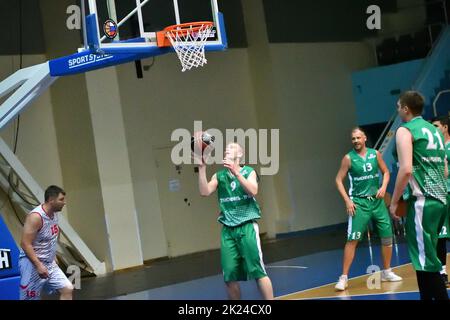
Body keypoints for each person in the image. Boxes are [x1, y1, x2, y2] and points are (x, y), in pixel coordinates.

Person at [390, 91, 448, 300]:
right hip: (441, 199)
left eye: (398, 106)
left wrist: (394, 202)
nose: (397, 110)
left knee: (428, 262)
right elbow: (444, 170)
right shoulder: (434, 130)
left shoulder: (405, 131)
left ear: (406, 108)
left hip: (423, 201)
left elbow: (406, 170)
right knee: (423, 260)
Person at [197, 142, 274, 300]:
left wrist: (236, 173)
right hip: (228, 230)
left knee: (259, 271)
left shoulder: (248, 172)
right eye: (225, 148)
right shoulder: (219, 176)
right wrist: (201, 168)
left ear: (240, 154)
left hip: (247, 227)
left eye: (231, 148)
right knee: (229, 277)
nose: (226, 149)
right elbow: (204, 192)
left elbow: (253, 191)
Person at [334, 127, 402, 291]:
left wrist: (384, 186)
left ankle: (386, 271)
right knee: (353, 239)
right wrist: (347, 201)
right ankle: (343, 278)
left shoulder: (375, 154)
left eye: (358, 138)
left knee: (387, 237)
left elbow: (386, 172)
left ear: (364, 138)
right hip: (359, 203)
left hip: (377, 202)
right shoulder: (348, 158)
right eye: (353, 139)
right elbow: (338, 180)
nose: (356, 141)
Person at [19, 185, 74, 300]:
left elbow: (51, 235)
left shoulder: (54, 214)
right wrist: (38, 265)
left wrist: (53, 255)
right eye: (61, 199)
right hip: (32, 263)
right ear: (51, 200)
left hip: (49, 262)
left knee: (67, 288)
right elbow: (25, 243)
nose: (64, 203)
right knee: (31, 298)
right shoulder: (35, 217)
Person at [431, 115, 450, 286]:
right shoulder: (433, 148)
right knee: (441, 236)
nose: (433, 128)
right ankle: (442, 272)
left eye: (436, 126)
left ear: (444, 127)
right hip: (440, 196)